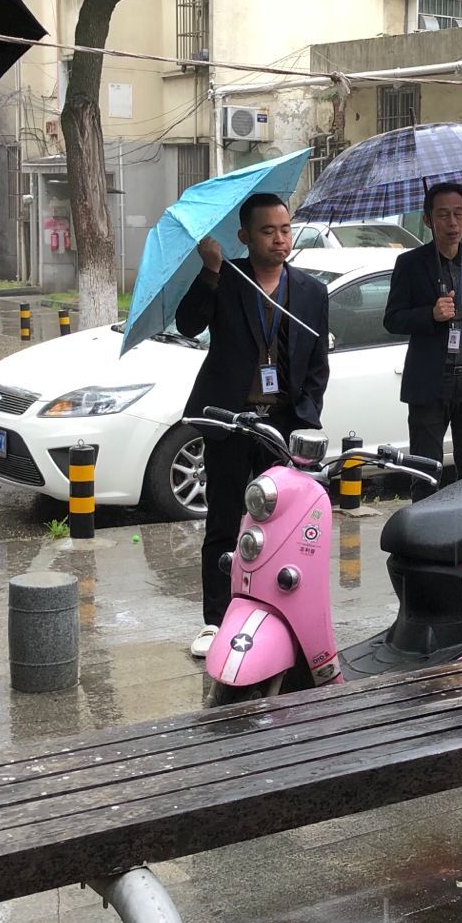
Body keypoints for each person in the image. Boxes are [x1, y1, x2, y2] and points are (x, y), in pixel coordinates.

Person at [177, 192, 330, 657]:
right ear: (245, 236)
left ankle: (273, 611)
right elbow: (188, 324)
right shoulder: (228, 279)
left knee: (282, 524)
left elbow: (317, 365)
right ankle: (216, 619)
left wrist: (305, 420)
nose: (279, 239)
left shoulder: (311, 291)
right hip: (231, 421)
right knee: (224, 521)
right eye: (268, 231)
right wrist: (210, 271)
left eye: (285, 230)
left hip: (282, 426)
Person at [382, 181, 462, 487]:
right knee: (425, 474)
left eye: (458, 213)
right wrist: (430, 314)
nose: (452, 222)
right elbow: (393, 319)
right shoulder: (410, 264)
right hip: (429, 384)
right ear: (428, 220)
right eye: (443, 215)